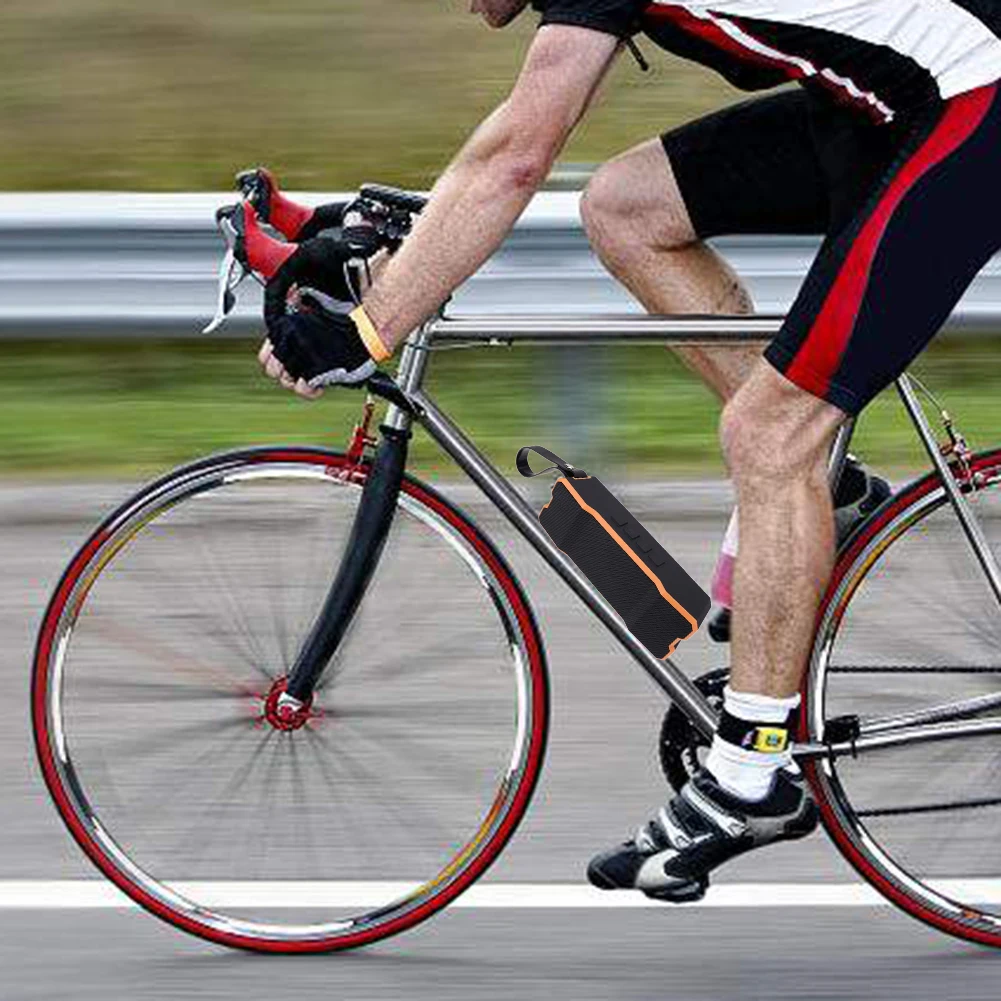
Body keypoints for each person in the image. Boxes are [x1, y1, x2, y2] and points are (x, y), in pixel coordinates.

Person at [240, 0, 1001, 902]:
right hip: (888, 104)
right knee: (625, 206)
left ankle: (749, 776)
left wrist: (372, 327)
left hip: (973, 101)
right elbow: (504, 147)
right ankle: (821, 493)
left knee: (768, 433)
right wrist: (387, 249)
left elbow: (516, 156)